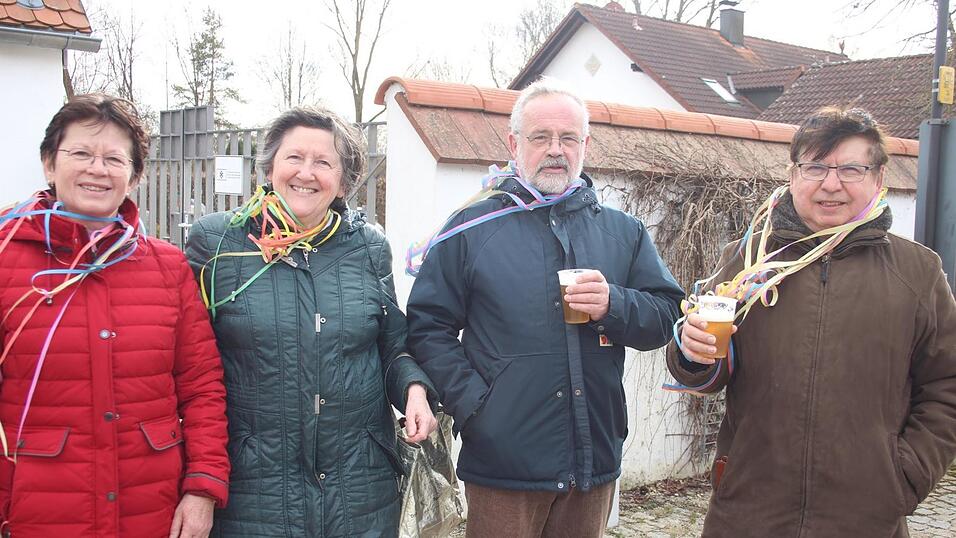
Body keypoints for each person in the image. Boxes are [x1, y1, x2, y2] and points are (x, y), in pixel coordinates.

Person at [406, 77, 684, 537]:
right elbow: (427, 327)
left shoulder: (623, 231)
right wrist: (477, 405)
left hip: (592, 455)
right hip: (503, 463)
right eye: (541, 137)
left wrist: (614, 303)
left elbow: (666, 318)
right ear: (515, 143)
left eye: (568, 138)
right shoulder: (472, 228)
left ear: (585, 144)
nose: (556, 149)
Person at [669, 107, 956, 537]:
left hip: (864, 519)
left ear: (879, 179)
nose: (831, 183)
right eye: (815, 167)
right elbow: (708, 372)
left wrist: (905, 476)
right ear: (793, 175)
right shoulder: (747, 259)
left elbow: (946, 386)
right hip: (749, 512)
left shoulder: (917, 272)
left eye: (851, 169)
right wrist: (692, 354)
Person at [185, 107, 439, 537]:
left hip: (359, 486)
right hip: (255, 484)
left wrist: (414, 389)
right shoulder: (218, 242)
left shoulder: (368, 247)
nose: (307, 173)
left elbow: (393, 344)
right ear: (269, 168)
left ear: (343, 180)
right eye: (294, 158)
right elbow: (189, 365)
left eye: (323, 162)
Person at [0, 94, 230, 538]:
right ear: (49, 163)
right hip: (38, 510)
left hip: (150, 508)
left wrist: (202, 488)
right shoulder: (6, 257)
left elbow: (202, 386)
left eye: (113, 158)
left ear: (134, 175)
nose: (97, 169)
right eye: (81, 153)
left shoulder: (167, 267)